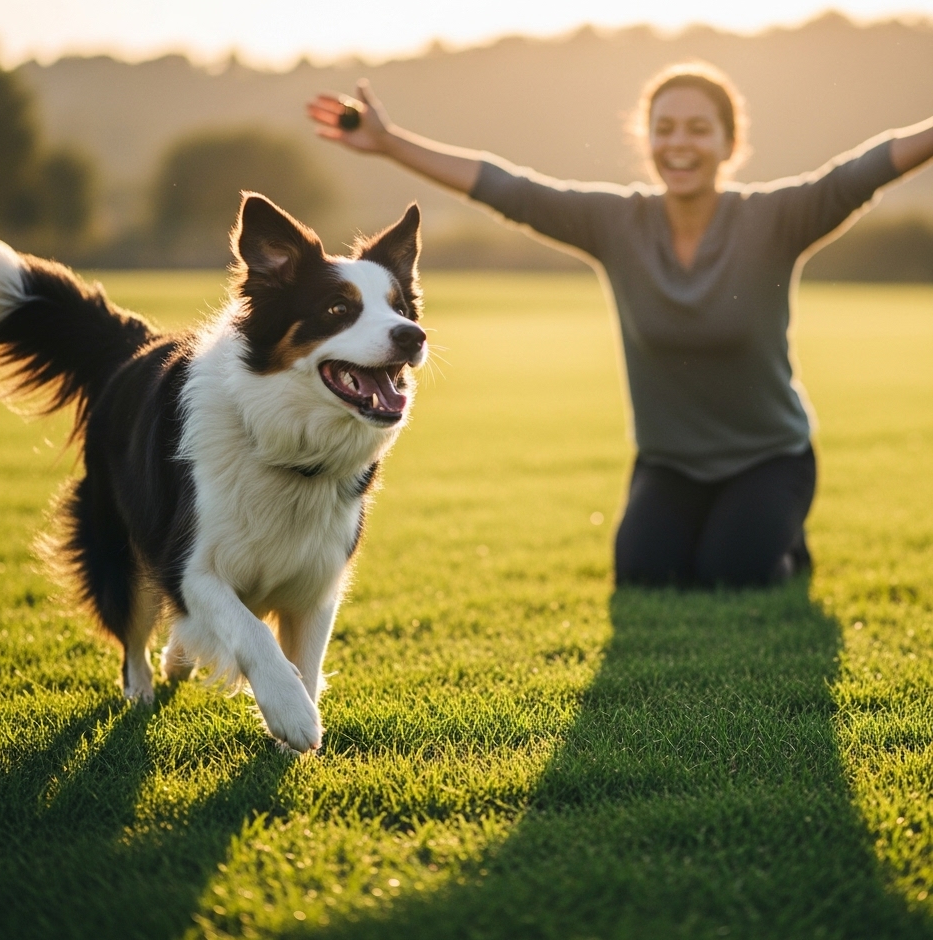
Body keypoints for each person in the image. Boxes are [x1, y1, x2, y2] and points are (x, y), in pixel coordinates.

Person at [306, 65, 933, 588]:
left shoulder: (777, 218)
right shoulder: (616, 223)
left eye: (697, 129)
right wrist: (390, 144)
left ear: (728, 143)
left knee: (733, 574)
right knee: (645, 574)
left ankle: (784, 537)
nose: (679, 143)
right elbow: (507, 189)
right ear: (647, 140)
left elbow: (867, 170)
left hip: (769, 457)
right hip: (669, 463)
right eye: (664, 129)